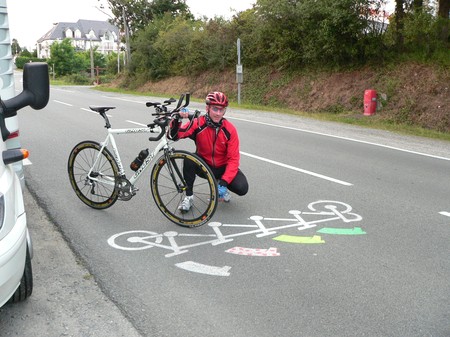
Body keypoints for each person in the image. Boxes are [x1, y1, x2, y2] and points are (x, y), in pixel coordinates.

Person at [170, 91, 249, 212]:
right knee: (189, 159)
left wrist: (224, 181)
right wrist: (177, 119)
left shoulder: (230, 129)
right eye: (215, 109)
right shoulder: (198, 123)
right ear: (207, 108)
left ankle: (220, 183)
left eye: (221, 110)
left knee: (242, 188)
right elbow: (175, 135)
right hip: (204, 166)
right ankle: (189, 197)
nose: (218, 113)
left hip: (222, 167)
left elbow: (233, 159)